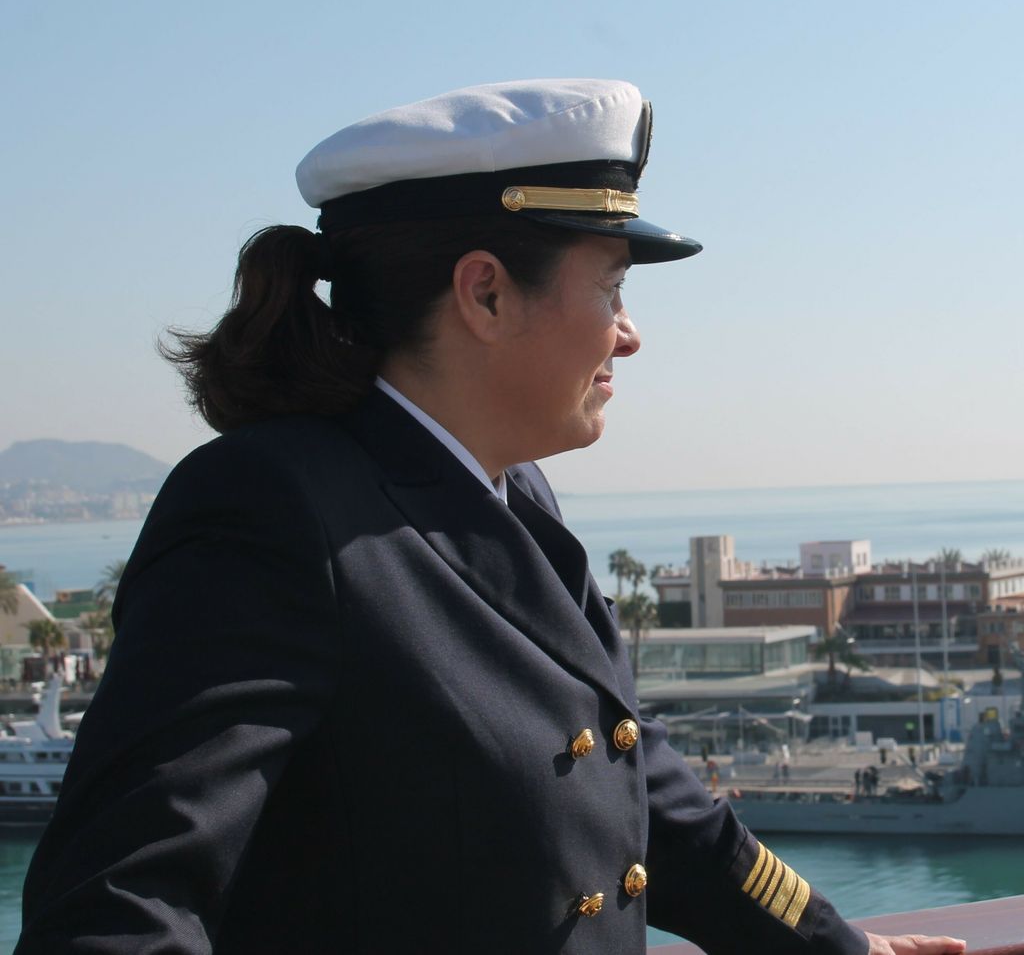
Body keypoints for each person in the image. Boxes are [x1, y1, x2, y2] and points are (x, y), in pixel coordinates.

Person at [17, 80, 963, 955]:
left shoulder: (510, 495)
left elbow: (643, 801)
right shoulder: (270, 511)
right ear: (486, 293)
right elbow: (115, 910)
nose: (629, 334)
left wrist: (836, 948)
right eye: (611, 287)